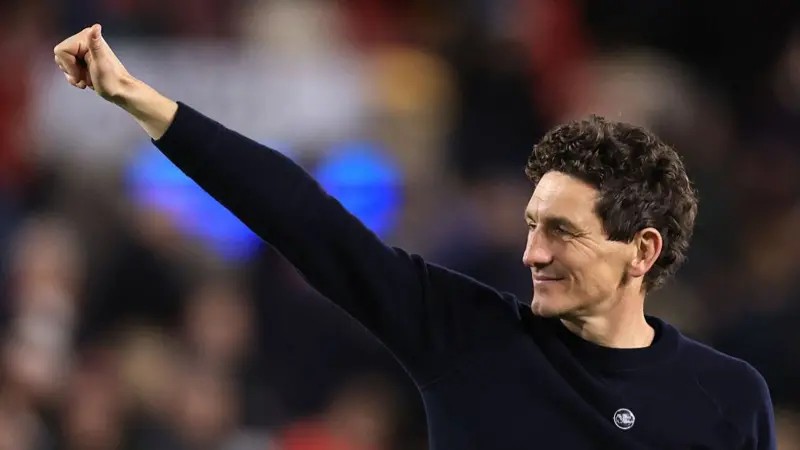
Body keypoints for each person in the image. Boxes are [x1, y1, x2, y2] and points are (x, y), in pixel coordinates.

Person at [53, 25, 776, 449]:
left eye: (562, 232)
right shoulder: (465, 335)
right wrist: (138, 100)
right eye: (531, 226)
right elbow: (300, 216)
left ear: (641, 251)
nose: (532, 253)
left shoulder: (729, 398)